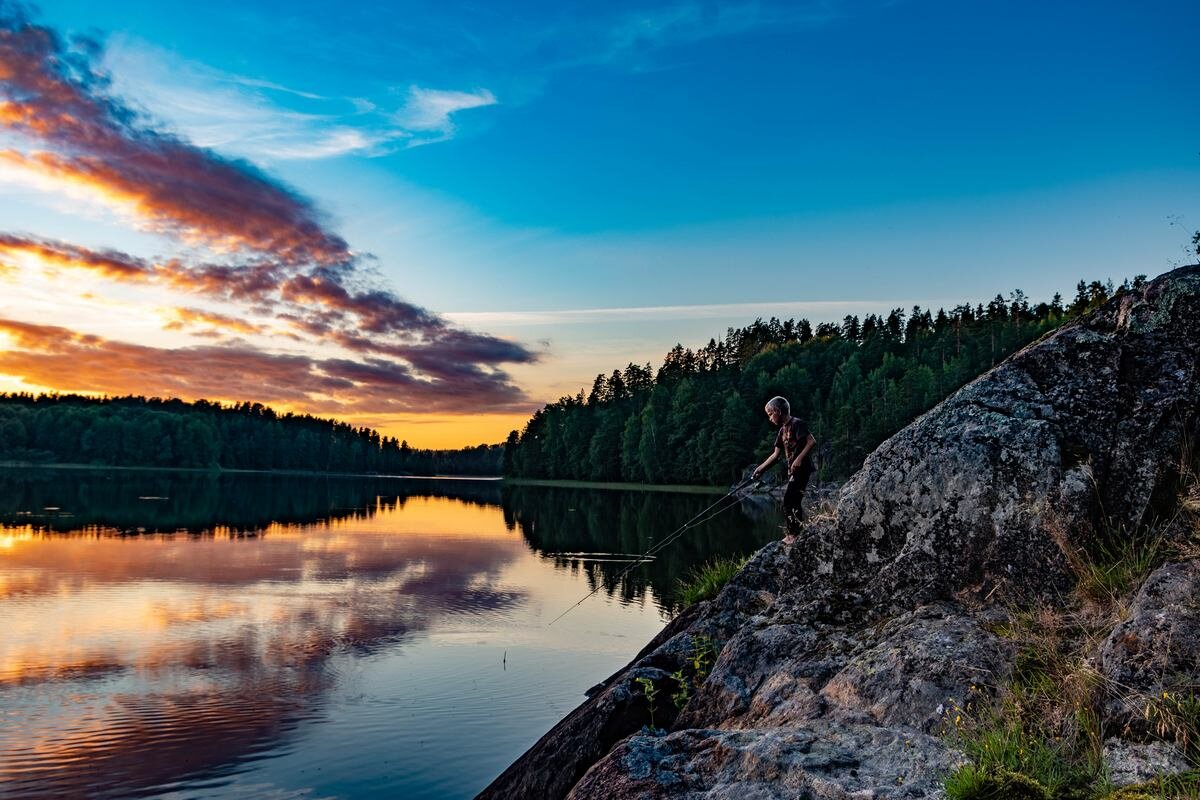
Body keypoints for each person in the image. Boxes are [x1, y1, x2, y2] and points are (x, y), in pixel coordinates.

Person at [751, 396, 816, 544]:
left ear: (778, 411)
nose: (769, 418)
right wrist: (761, 469)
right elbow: (775, 455)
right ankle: (795, 533)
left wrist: (799, 459)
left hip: (802, 469)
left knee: (789, 500)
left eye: (769, 414)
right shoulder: (782, 431)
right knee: (793, 500)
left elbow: (811, 441)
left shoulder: (797, 423)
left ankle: (793, 535)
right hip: (793, 471)